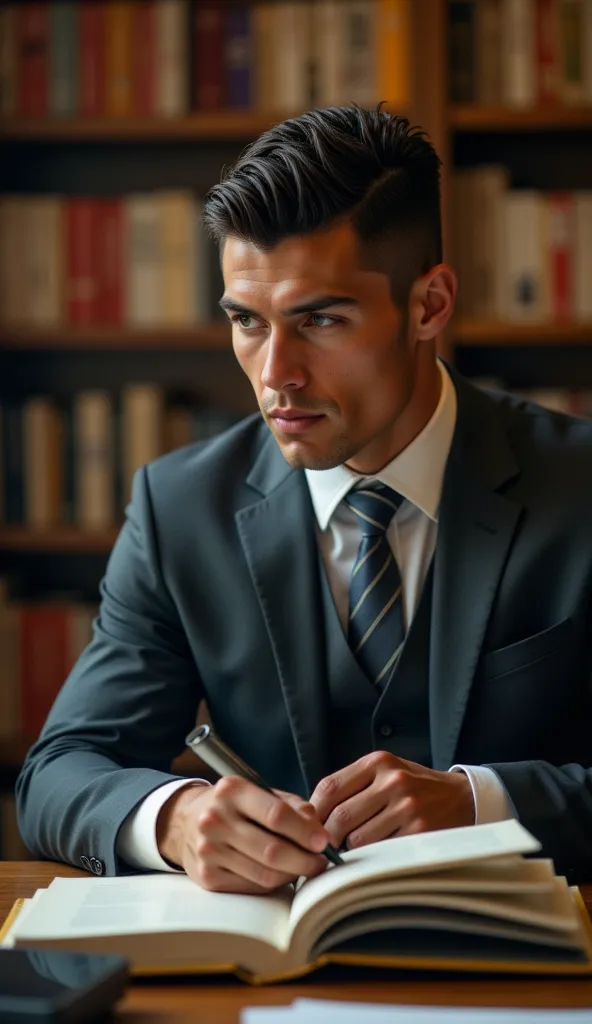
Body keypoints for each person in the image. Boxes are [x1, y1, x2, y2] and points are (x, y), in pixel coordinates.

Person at [16, 106, 592, 892]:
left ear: (430, 305)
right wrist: (177, 816)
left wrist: (479, 801)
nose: (274, 374)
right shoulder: (180, 507)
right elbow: (57, 773)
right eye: (246, 322)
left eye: (319, 319)